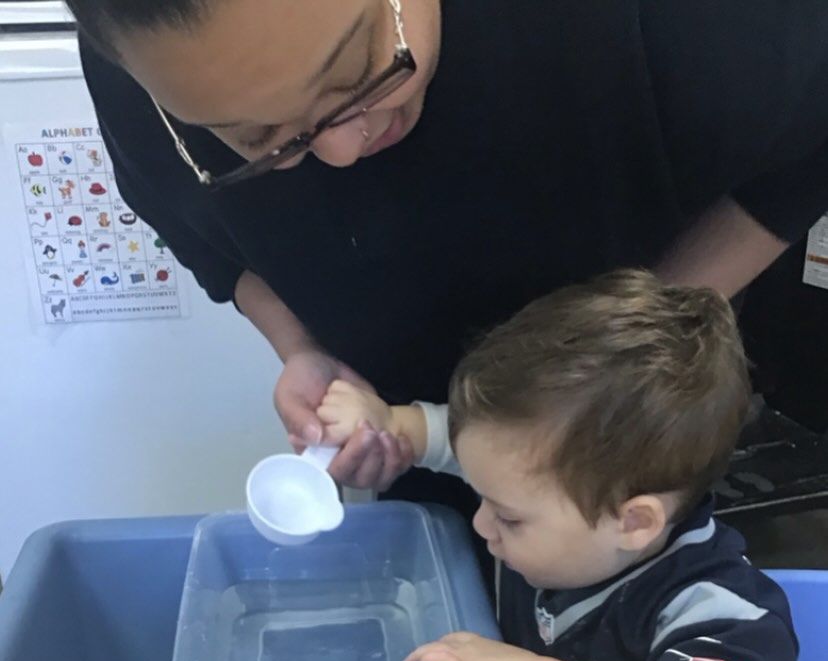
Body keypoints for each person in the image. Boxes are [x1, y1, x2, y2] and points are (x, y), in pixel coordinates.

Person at [66, 0, 828, 509]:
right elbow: (193, 227)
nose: (338, 148)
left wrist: (625, 356)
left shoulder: (705, 31)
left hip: (650, 427)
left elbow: (804, 157)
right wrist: (301, 347)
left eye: (358, 72)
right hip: (422, 450)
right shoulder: (143, 63)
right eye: (256, 138)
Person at [318, 270, 828, 661]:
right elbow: (473, 451)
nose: (482, 524)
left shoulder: (721, 612)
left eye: (506, 516)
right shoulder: (571, 520)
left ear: (633, 523)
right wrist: (392, 423)